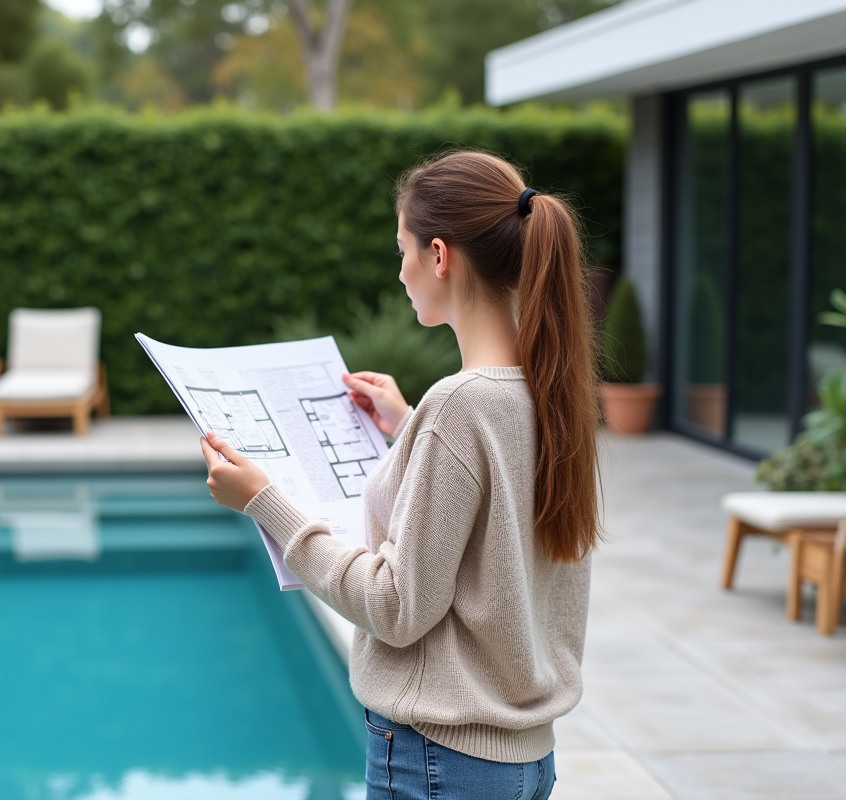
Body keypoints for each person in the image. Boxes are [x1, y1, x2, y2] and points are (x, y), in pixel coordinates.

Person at [199, 151, 601, 800]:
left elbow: (394, 608)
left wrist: (264, 502)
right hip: (524, 763)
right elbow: (491, 515)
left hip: (441, 762)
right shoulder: (546, 391)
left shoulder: (460, 406)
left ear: (439, 256)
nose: (401, 271)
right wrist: (406, 424)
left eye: (401, 250)